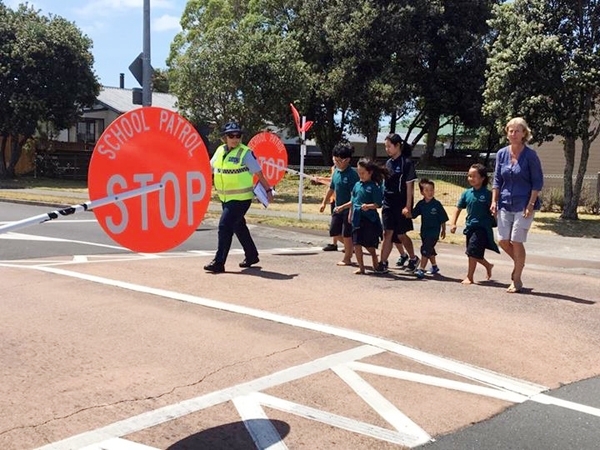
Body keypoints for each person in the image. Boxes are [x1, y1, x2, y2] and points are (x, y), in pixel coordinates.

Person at [203, 122, 273, 273]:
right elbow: (209, 168)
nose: (235, 138)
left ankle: (219, 262)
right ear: (224, 138)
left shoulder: (245, 153)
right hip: (225, 198)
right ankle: (252, 255)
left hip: (241, 199)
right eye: (231, 135)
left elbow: (258, 173)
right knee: (238, 226)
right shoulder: (220, 151)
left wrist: (268, 190)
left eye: (238, 135)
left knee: (224, 226)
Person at [491, 117, 544, 293]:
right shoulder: (501, 154)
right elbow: (497, 180)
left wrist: (531, 204)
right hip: (505, 203)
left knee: (516, 240)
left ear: (524, 134)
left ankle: (517, 278)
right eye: (511, 131)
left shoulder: (530, 155)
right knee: (503, 240)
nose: (513, 134)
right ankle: (519, 263)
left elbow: (537, 182)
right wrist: (494, 201)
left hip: (524, 205)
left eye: (517, 131)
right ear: (507, 133)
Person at [450, 163, 500, 284]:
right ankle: (488, 265)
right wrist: (453, 223)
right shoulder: (466, 193)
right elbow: (458, 208)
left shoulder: (488, 194)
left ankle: (469, 277)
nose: (470, 178)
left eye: (474, 176)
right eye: (469, 176)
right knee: (472, 252)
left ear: (482, 178)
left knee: (472, 251)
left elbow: (495, 210)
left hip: (482, 228)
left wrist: (496, 217)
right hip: (470, 227)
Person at [337, 158, 388, 274]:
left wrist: (369, 206)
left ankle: (374, 256)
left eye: (363, 173)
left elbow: (378, 204)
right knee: (356, 243)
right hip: (357, 219)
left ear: (370, 173)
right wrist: (343, 208)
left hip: (369, 220)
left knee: (368, 244)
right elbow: (353, 201)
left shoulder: (374, 187)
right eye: (359, 173)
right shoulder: (357, 185)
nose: (361, 175)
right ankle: (361, 267)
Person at [377, 133, 419, 273]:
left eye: (389, 146)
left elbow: (409, 188)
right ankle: (382, 263)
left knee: (401, 234)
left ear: (397, 146)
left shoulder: (406, 163)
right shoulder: (388, 163)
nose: (387, 149)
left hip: (401, 204)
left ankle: (413, 258)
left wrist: (408, 206)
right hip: (388, 203)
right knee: (387, 233)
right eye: (386, 147)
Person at [319, 143, 360, 266]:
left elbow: (355, 195)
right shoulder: (336, 172)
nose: (336, 162)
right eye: (334, 159)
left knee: (347, 235)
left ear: (347, 160)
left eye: (339, 160)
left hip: (349, 209)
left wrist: (347, 207)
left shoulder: (352, 175)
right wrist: (324, 203)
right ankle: (351, 247)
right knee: (335, 232)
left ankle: (347, 257)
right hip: (338, 207)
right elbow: (331, 188)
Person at [411, 178, 449, 279]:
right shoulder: (421, 204)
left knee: (425, 249)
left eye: (432, 190)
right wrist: (406, 212)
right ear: (422, 192)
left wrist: (444, 230)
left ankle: (421, 269)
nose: (430, 192)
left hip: (434, 232)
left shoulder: (437, 204)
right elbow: (413, 214)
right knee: (429, 250)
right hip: (424, 231)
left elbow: (443, 218)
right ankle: (434, 267)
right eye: (427, 190)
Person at [318, 162, 340, 252]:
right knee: (334, 221)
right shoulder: (333, 168)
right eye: (334, 158)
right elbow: (331, 184)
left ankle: (350, 245)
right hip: (333, 199)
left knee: (340, 223)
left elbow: (332, 180)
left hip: (341, 199)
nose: (335, 160)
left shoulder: (342, 169)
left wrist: (321, 179)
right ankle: (334, 244)